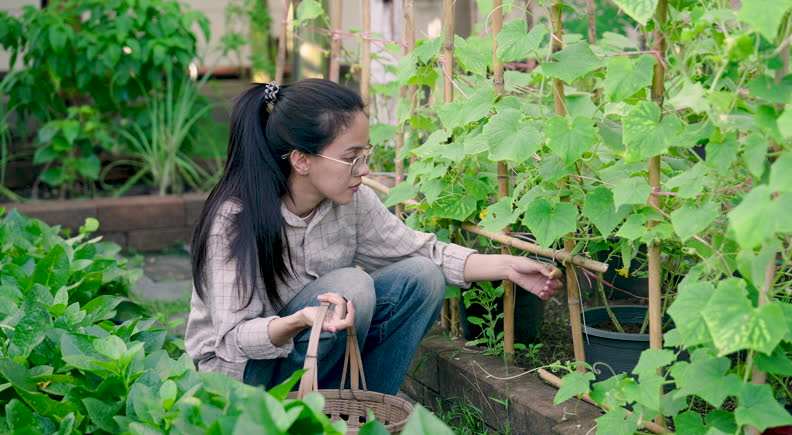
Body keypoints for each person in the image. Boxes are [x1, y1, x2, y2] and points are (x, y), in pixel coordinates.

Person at [185, 79, 562, 395]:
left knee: (421, 277)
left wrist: (508, 265)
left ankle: (365, 412)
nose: (363, 170)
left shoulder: (351, 201)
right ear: (301, 160)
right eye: (352, 157)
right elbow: (231, 341)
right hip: (244, 381)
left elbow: (423, 253)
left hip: (313, 355)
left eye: (365, 154)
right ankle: (297, 417)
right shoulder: (235, 220)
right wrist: (299, 320)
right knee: (352, 285)